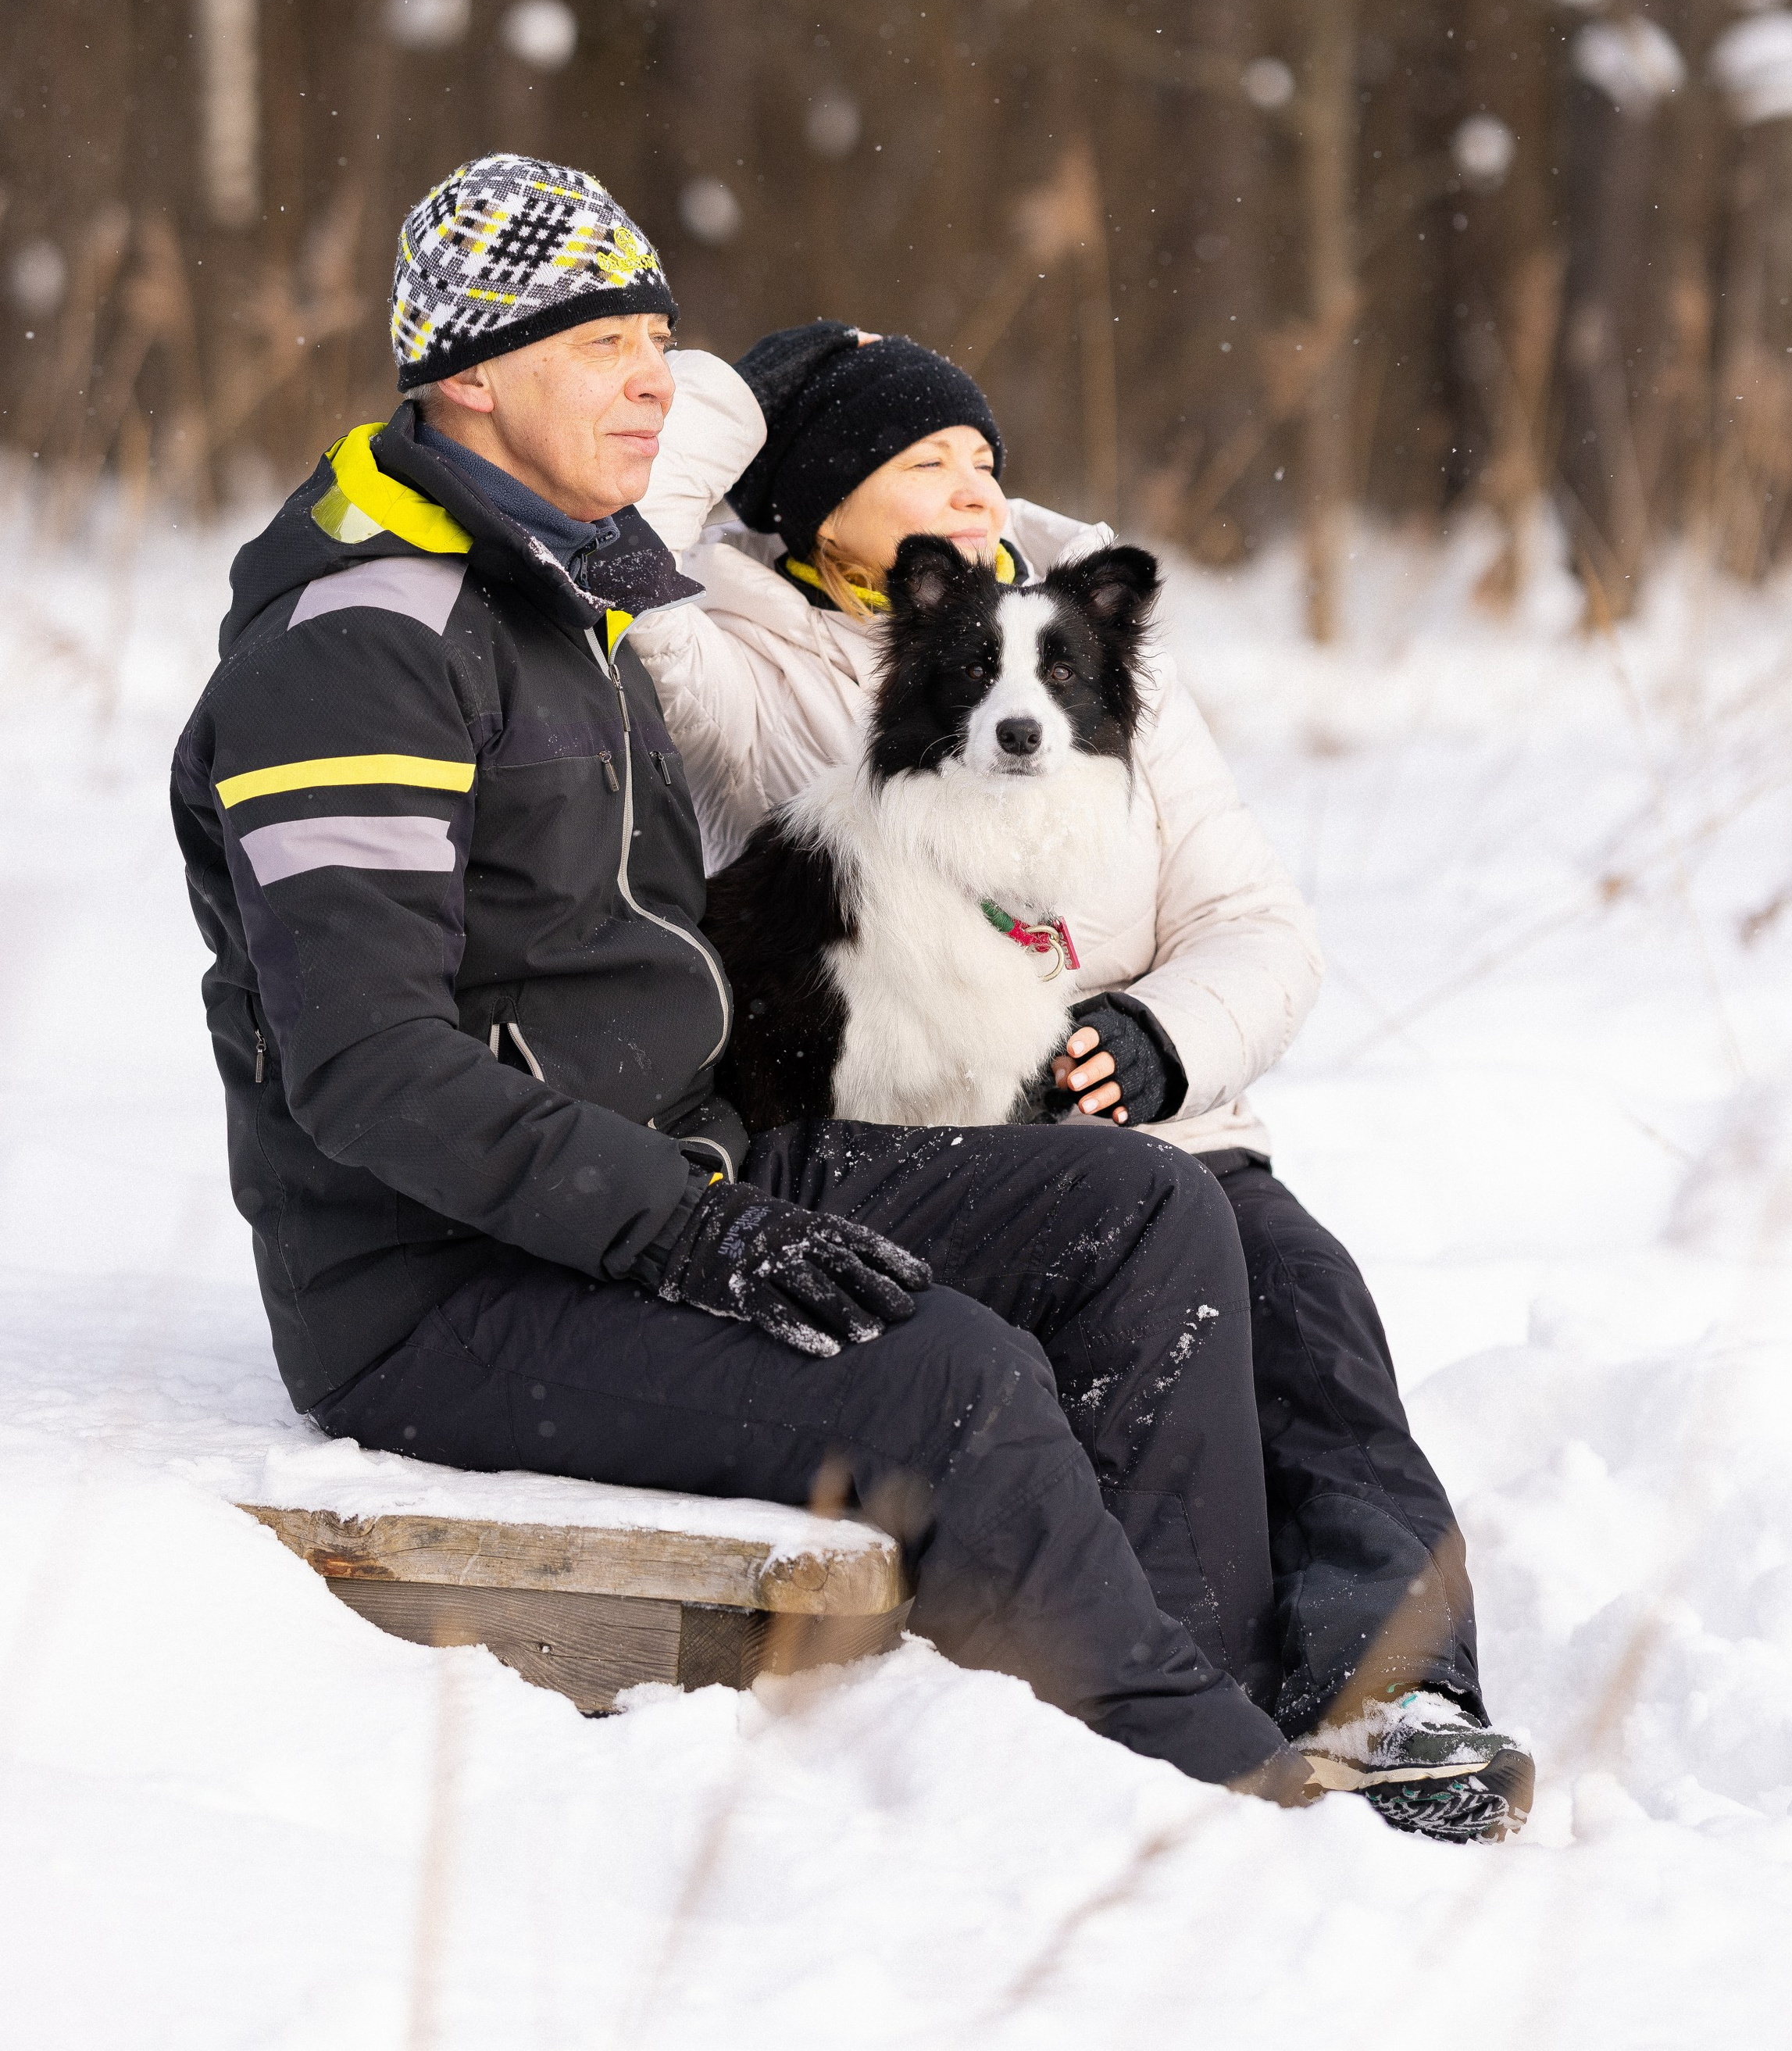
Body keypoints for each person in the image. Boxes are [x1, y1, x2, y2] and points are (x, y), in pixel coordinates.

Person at [170, 154, 1318, 1804]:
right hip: (446, 1283)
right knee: (950, 1376)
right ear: (469, 376)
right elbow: (364, 1065)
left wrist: (701, 1189)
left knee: (1143, 1208)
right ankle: (1191, 1801)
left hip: (673, 1169)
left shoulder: (563, 588)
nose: (652, 377)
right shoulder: (362, 640)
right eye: (598, 344)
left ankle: (1193, 1715)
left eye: (663, 335)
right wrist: (681, 1225)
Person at [630, 318, 1533, 1840]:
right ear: (812, 499)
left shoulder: (1102, 648)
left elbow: (1253, 924)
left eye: (984, 455)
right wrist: (747, 391)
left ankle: (1396, 1694)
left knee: (1305, 1311)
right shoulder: (731, 656)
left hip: (1172, 1121)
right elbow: (621, 542)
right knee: (1135, 1323)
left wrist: (1158, 1034)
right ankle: (1186, 1685)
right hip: (923, 1134)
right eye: (923, 458)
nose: (975, 485)